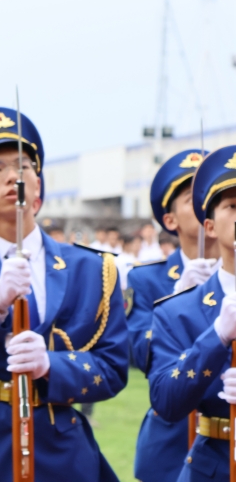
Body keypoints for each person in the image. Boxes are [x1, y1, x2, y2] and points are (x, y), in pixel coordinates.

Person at [0, 106, 128, 481]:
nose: (13, 176)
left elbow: (113, 369)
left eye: (24, 167)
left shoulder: (93, 269)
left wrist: (52, 365)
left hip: (63, 451)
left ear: (39, 185)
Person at [126, 149, 219, 482]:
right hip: (171, 441)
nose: (204, 205)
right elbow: (141, 353)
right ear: (170, 220)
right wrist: (176, 299)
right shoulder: (147, 279)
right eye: (193, 197)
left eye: (213, 196)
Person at [148, 145, 236, 481]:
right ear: (210, 227)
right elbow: (167, 403)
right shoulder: (178, 311)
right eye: (232, 206)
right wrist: (216, 338)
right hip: (212, 464)